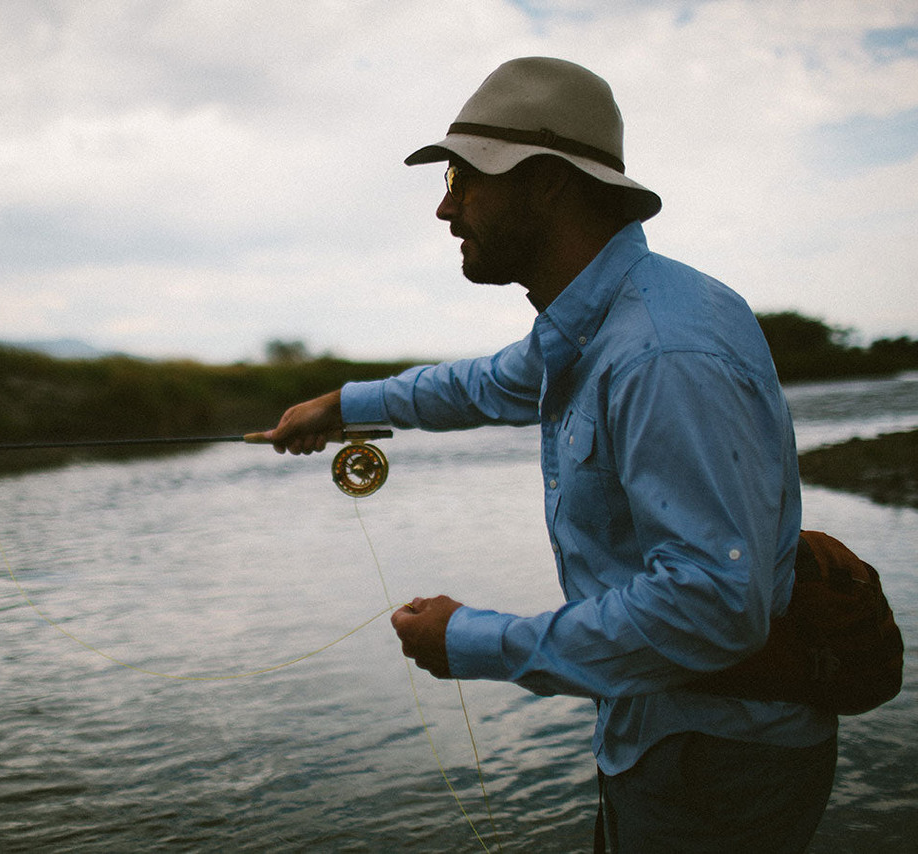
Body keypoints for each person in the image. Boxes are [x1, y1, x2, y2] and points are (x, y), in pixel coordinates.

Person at [262, 57, 838, 853]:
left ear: (549, 185)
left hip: (716, 764)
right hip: (670, 742)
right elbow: (485, 385)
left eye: (464, 179)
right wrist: (344, 405)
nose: (444, 206)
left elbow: (714, 606)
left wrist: (471, 639)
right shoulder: (599, 323)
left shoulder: (661, 352)